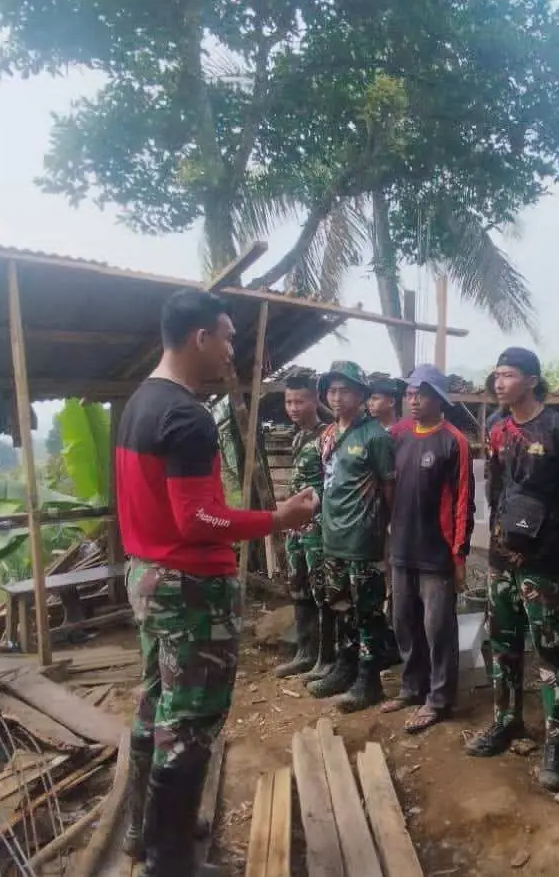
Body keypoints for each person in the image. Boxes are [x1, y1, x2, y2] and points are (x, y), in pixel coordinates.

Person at [115, 289, 317, 876]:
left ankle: (146, 829)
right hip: (188, 587)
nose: (231, 349)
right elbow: (197, 519)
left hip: (149, 577)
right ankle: (170, 862)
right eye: (227, 336)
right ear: (200, 338)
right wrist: (278, 519)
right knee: (192, 723)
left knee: (156, 705)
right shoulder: (186, 415)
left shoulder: (141, 403)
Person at [467, 347, 559, 792]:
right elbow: (494, 487)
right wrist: (503, 536)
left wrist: (549, 530)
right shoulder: (497, 428)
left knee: (552, 650)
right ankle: (506, 720)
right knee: (504, 643)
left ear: (532, 380)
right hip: (502, 555)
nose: (499, 382)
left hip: (545, 559)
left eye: (509, 375)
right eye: (496, 374)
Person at [383, 364, 475, 733]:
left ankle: (439, 699)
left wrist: (459, 554)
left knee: (437, 627)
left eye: (421, 394)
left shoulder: (454, 440)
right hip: (401, 548)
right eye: (409, 394)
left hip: (436, 552)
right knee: (402, 622)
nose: (413, 401)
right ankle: (411, 686)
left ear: (439, 399)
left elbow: (464, 500)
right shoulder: (399, 436)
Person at [309, 361, 397, 713]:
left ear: (361, 395)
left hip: (364, 540)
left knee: (368, 613)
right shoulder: (328, 436)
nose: (337, 396)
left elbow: (390, 491)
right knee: (341, 607)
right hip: (333, 538)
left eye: (345, 390)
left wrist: (386, 537)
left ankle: (369, 680)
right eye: (331, 390)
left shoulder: (375, 436)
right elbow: (327, 484)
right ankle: (345, 668)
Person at [275, 372, 330, 678]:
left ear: (315, 400)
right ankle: (305, 652)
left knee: (321, 591)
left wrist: (309, 508)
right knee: (298, 588)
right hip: (296, 527)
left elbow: (331, 483)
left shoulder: (328, 436)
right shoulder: (297, 437)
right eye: (288, 401)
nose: (293, 407)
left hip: (317, 527)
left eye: (300, 400)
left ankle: (326, 657)